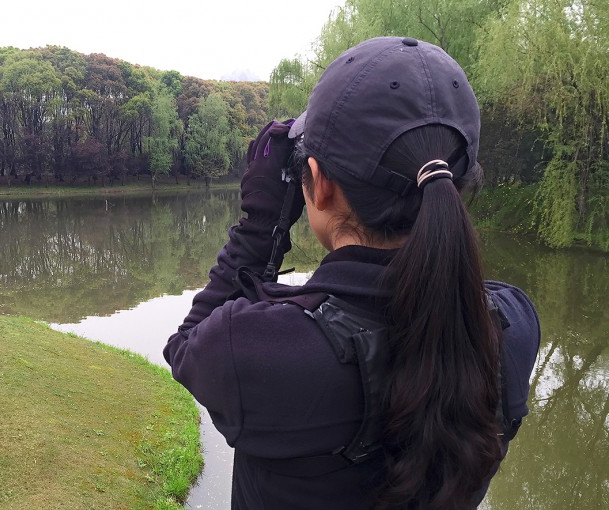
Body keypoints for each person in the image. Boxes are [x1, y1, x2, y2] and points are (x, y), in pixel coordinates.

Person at [163, 36, 540, 510]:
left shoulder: (257, 350)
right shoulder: (512, 324)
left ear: (318, 185)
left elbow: (186, 347)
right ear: (462, 186)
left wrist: (262, 225)